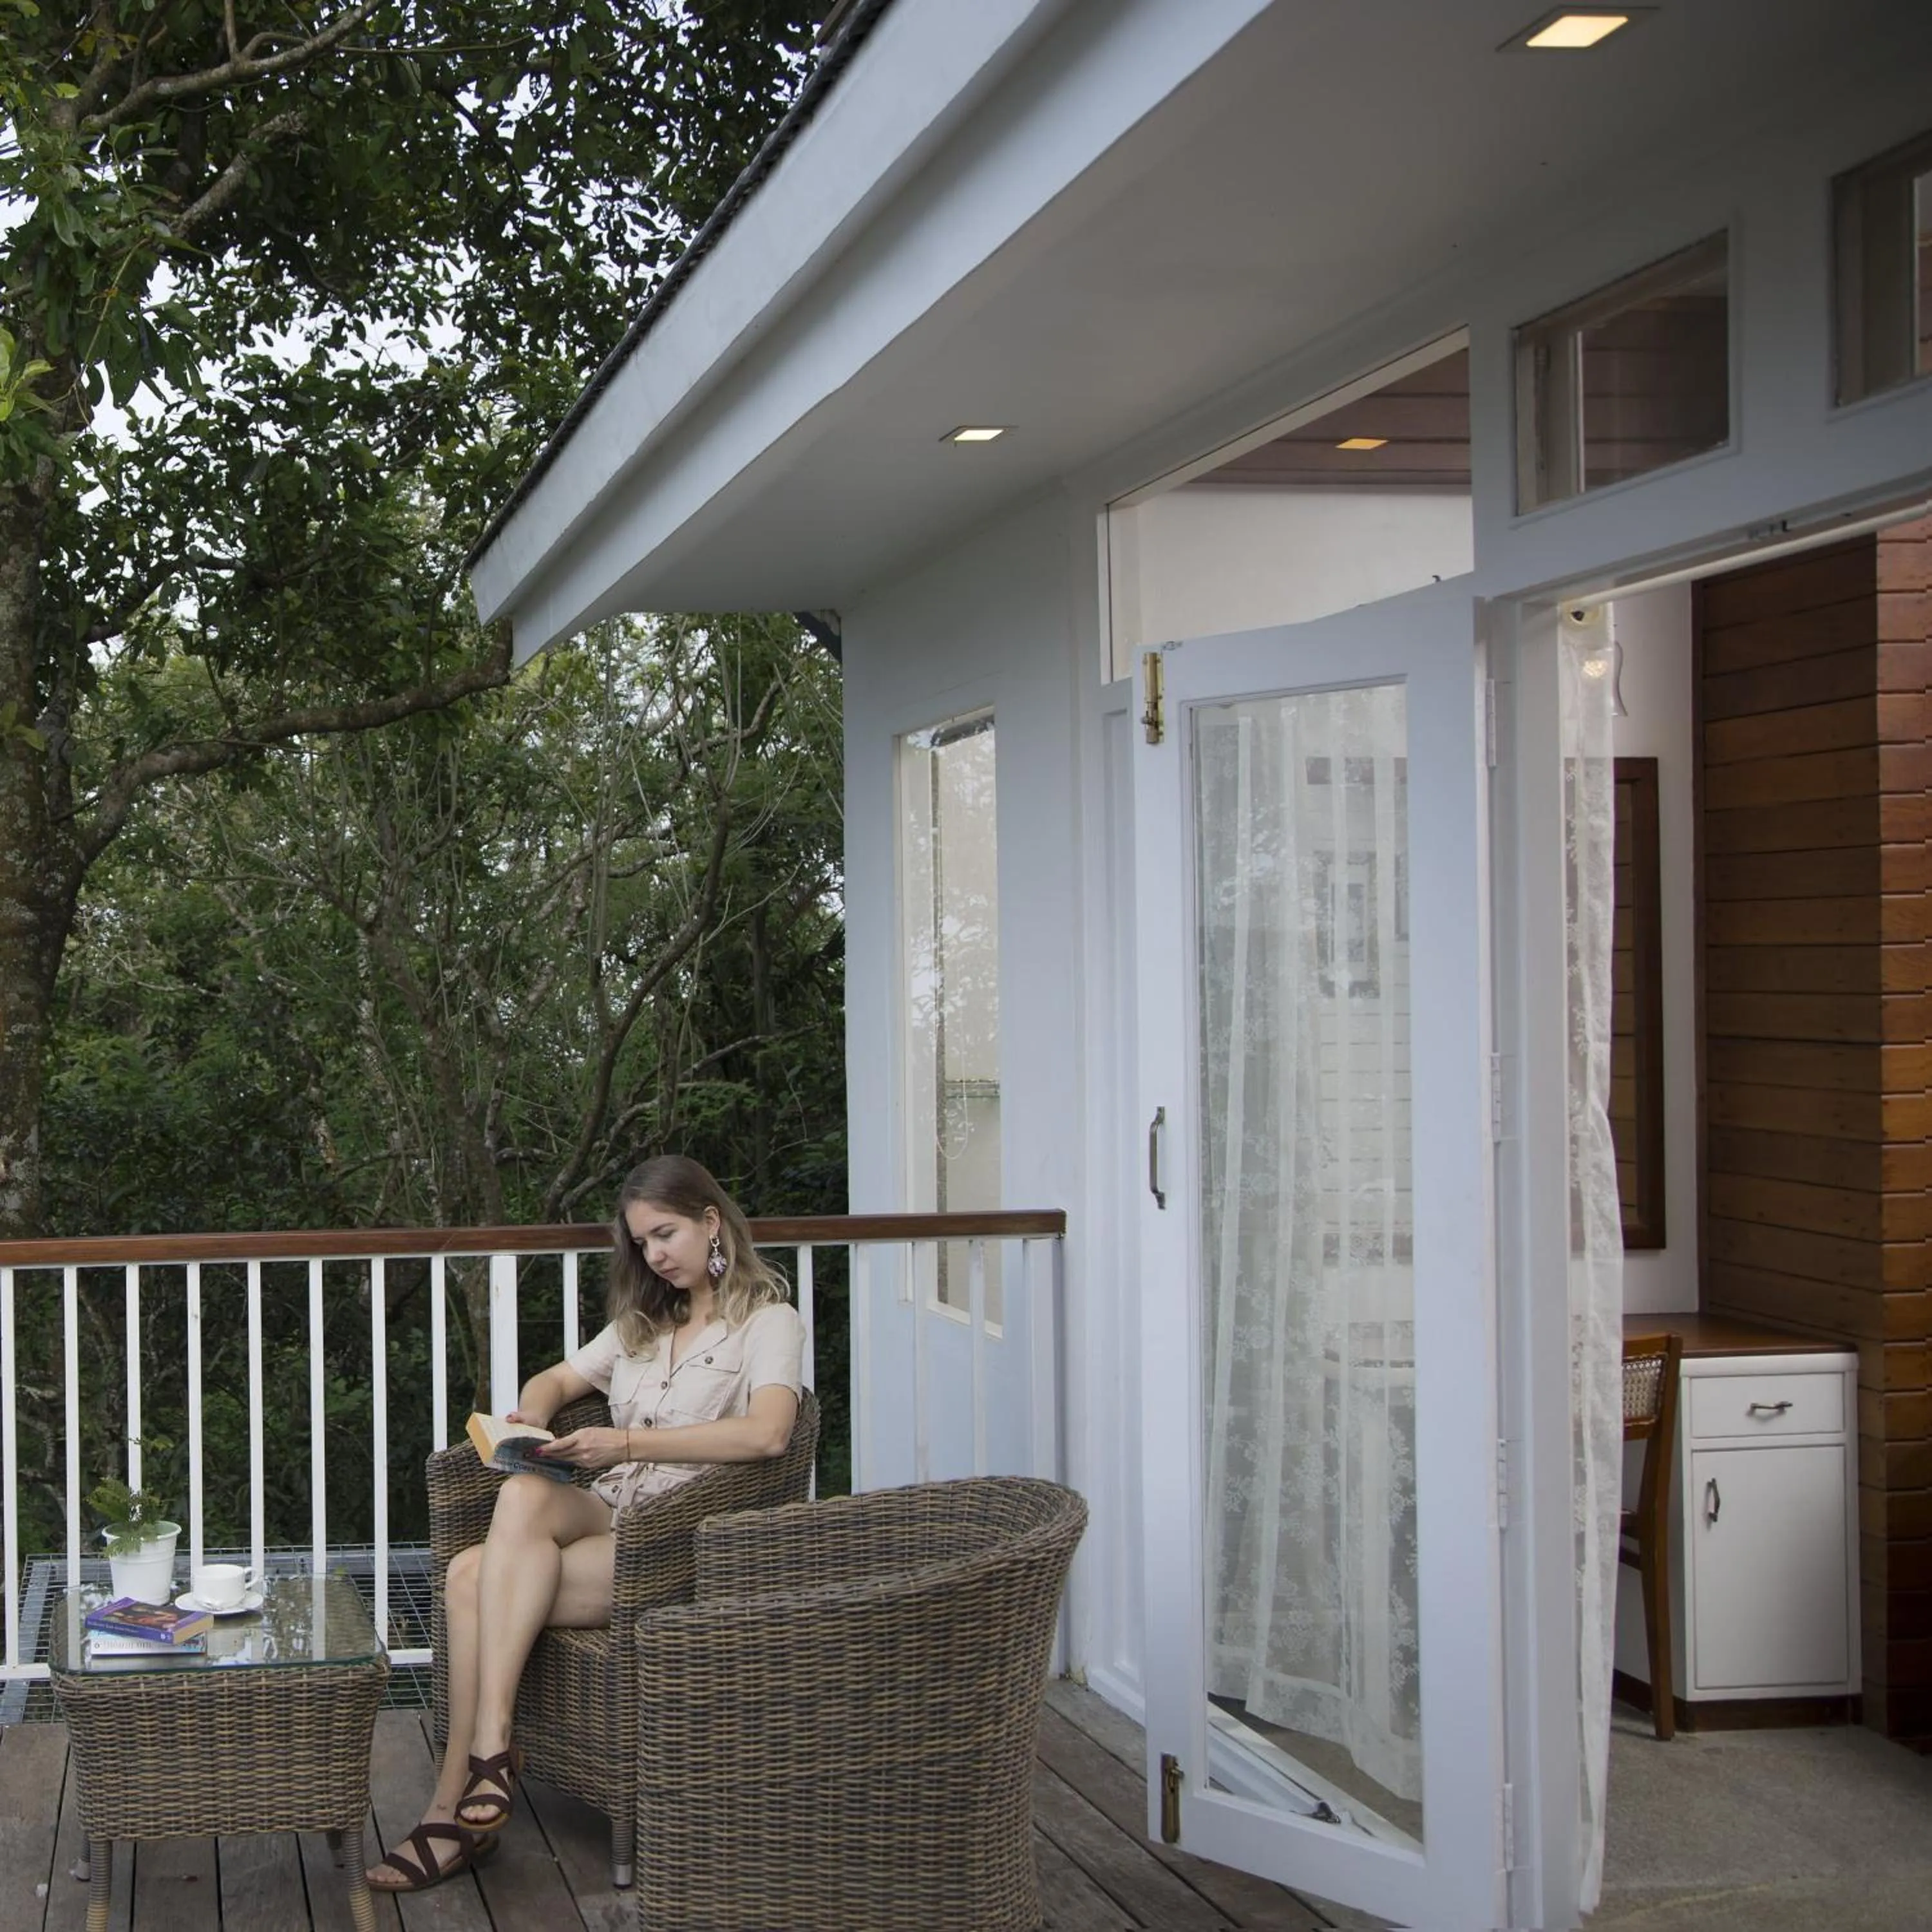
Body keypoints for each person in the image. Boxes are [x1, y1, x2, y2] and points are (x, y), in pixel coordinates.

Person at [366, 1154, 804, 1892]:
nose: (656, 1256)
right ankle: (493, 1755)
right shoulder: (642, 1322)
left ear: (711, 1221)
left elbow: (769, 1435)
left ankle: (454, 1807)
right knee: (523, 1494)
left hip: (676, 1538)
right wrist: (532, 1417)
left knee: (469, 1578)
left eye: (666, 1234)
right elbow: (559, 1380)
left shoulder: (768, 1321)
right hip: (609, 1507)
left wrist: (626, 1441)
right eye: (642, 1244)